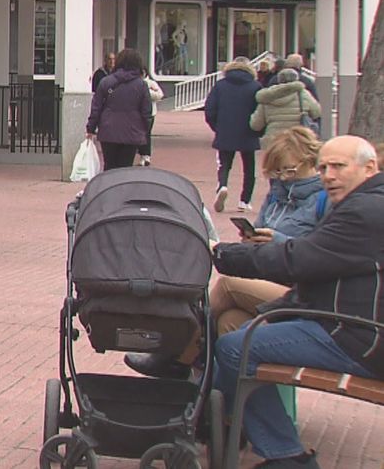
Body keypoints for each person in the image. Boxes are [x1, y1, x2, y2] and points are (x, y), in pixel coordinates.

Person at [210, 136, 384, 468]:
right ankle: (214, 407)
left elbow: (299, 260)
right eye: (323, 168)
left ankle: (285, 455)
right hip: (345, 322)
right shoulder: (363, 203)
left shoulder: (367, 210)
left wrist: (221, 253)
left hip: (360, 336)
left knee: (236, 347)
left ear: (369, 168)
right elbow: (317, 266)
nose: (328, 176)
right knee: (234, 324)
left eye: (338, 166)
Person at [125, 128, 327, 380]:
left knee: (227, 287)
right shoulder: (276, 196)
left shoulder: (323, 200)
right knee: (230, 321)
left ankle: (176, 353)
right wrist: (253, 240)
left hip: (298, 288)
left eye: (289, 170)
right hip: (268, 274)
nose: (283, 178)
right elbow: (263, 234)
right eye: (276, 172)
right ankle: (215, 390)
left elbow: (318, 253)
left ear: (310, 162)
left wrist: (280, 241)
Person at [205, 57, 262, 213]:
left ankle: (222, 186)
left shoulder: (220, 85)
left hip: (225, 130)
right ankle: (245, 200)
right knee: (249, 167)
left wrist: (217, 127)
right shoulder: (255, 86)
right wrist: (258, 130)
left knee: (224, 164)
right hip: (248, 131)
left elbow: (210, 109)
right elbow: (261, 111)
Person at [86, 48, 151, 170]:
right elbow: (147, 112)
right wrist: (144, 130)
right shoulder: (141, 85)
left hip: (108, 130)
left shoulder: (106, 82)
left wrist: (91, 128)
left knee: (109, 165)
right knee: (125, 167)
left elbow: (96, 107)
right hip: (132, 131)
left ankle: (108, 182)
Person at [250, 68, 321, 150]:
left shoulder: (267, 97)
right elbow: (317, 113)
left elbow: (256, 125)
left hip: (273, 142)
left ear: (279, 80)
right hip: (298, 139)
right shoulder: (303, 93)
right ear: (296, 79)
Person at [138, 69, 165, 167]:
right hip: (138, 113)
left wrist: (147, 93)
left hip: (150, 113)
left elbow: (160, 95)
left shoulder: (151, 83)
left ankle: (146, 155)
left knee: (146, 134)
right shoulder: (136, 84)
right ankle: (142, 154)